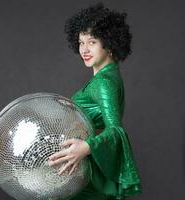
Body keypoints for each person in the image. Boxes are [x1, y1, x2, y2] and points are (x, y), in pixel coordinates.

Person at [48, 3, 142, 200]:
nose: (84, 49)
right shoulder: (108, 75)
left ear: (109, 43)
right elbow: (96, 117)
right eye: (81, 42)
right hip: (86, 171)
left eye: (92, 42)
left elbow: (115, 130)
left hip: (90, 174)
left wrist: (86, 147)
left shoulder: (104, 82)